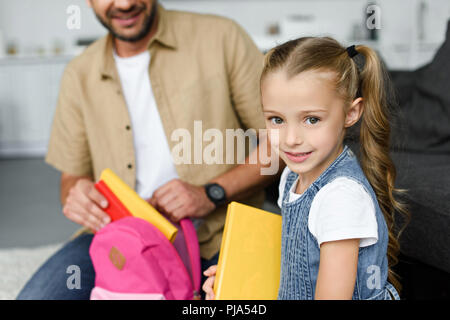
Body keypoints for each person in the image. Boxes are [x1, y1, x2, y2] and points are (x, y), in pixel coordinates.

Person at [17, 0, 281, 299]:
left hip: (220, 233)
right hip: (119, 236)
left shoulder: (222, 38)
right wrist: (77, 195)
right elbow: (71, 179)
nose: (125, 3)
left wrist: (211, 193)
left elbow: (283, 140)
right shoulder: (79, 74)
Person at [203, 37, 408, 300]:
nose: (290, 139)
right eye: (277, 119)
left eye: (311, 119)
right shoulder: (292, 176)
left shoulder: (340, 199)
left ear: (351, 113)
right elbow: (293, 265)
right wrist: (237, 280)